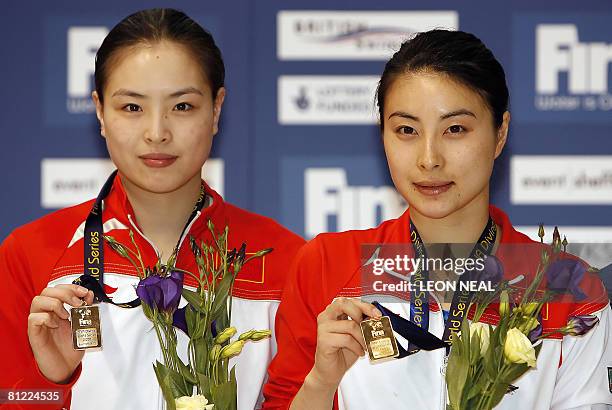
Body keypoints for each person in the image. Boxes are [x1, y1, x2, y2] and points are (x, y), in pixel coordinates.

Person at [263, 29, 612, 409]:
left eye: (455, 129)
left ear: (500, 134)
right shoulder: (327, 265)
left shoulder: (570, 288)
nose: (429, 158)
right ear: (383, 137)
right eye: (407, 130)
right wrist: (321, 382)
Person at [0, 8, 304, 410]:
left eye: (182, 107)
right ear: (99, 112)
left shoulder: (287, 259)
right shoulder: (31, 253)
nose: (157, 132)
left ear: (216, 110)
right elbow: (15, 397)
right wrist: (55, 378)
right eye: (131, 107)